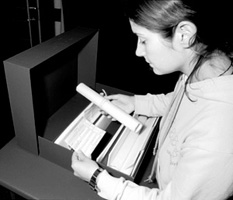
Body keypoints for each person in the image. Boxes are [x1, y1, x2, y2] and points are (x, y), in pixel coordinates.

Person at [71, 0, 233, 199]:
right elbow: (181, 102)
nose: (138, 51)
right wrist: (135, 103)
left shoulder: (218, 132)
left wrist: (97, 178)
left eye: (143, 39)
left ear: (184, 34)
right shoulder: (209, 67)